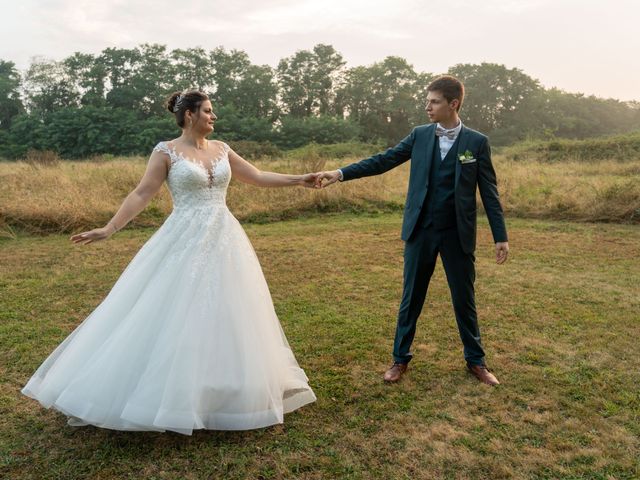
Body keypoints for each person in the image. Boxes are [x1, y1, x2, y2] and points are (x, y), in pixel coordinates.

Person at [21, 90, 318, 434]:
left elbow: (257, 175)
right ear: (189, 114)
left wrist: (300, 179)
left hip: (225, 237)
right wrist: (110, 227)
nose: (213, 117)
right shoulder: (165, 152)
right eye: (208, 111)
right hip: (184, 239)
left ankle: (224, 387)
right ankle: (168, 392)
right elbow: (142, 193)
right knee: (176, 309)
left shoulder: (222, 148)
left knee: (231, 308)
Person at [318, 75, 509, 386]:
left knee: (464, 299)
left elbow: (489, 192)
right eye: (427, 101)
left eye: (434, 102)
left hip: (458, 234)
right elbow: (383, 161)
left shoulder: (476, 142)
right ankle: (399, 359)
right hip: (420, 231)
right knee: (411, 298)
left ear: (453, 104)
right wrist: (340, 173)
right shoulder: (419, 136)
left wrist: (500, 236)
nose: (427, 107)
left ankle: (476, 362)